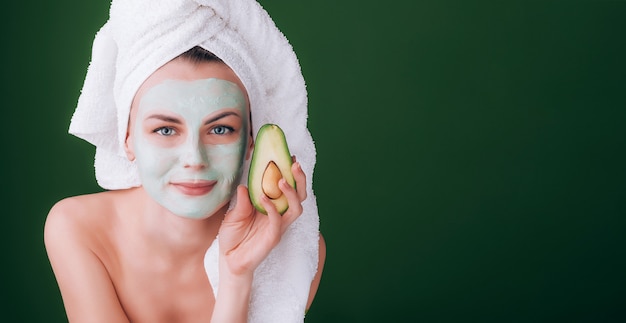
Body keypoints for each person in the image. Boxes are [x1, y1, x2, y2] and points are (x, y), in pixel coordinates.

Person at [44, 1, 325, 322]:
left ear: (250, 142)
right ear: (127, 139)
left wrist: (237, 274)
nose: (194, 158)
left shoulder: (293, 257)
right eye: (165, 129)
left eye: (220, 129)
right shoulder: (79, 228)